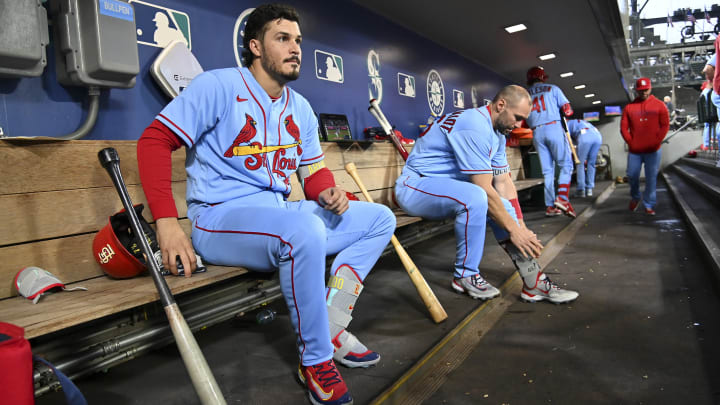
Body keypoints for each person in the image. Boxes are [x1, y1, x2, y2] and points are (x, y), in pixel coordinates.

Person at [137, 5, 396, 405]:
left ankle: (330, 322)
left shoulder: (301, 108)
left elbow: (313, 175)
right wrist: (166, 222)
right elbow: (154, 141)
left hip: (279, 213)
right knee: (303, 231)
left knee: (379, 218)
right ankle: (315, 360)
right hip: (219, 218)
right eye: (283, 38)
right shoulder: (218, 86)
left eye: (298, 41)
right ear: (255, 46)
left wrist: (327, 192)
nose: (295, 48)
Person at [394, 85, 579, 304]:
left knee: (504, 208)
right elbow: (483, 188)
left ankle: (534, 282)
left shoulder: (498, 132)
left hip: (451, 189)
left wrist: (519, 225)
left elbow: (503, 182)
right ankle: (465, 275)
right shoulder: (474, 125)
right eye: (517, 117)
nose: (519, 125)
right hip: (416, 187)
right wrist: (513, 229)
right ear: (501, 105)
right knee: (476, 197)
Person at [524, 66, 577, 218]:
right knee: (566, 165)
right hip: (553, 128)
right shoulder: (552, 88)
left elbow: (524, 122)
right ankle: (562, 198)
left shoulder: (525, 95)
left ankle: (550, 207)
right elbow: (568, 110)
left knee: (547, 172)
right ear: (542, 78)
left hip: (536, 132)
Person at [620, 77, 669, 216]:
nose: (644, 93)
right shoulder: (629, 108)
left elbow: (665, 125)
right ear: (636, 90)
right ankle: (635, 197)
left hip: (653, 150)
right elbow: (623, 128)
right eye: (641, 91)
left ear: (650, 88)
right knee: (632, 175)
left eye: (646, 90)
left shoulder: (660, 105)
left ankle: (649, 204)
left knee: (651, 177)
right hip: (635, 151)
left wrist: (656, 141)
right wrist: (631, 142)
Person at [566, 119, 603, 198]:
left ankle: (581, 190)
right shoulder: (581, 122)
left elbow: (567, 138)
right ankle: (589, 189)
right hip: (597, 136)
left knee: (580, 163)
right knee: (591, 163)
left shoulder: (567, 124)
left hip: (585, 136)